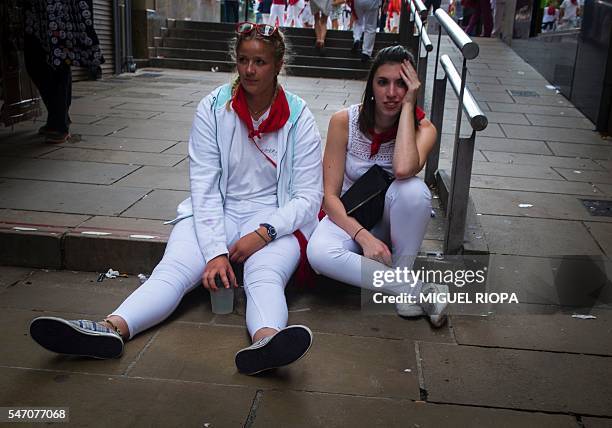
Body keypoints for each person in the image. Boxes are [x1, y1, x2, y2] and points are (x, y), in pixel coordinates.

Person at [29, 22, 324, 376]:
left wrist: (265, 231)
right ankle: (109, 329)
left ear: (278, 65)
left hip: (276, 220)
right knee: (171, 272)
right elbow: (204, 186)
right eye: (243, 60)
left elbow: (309, 196)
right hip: (217, 211)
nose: (248, 70)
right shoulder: (213, 108)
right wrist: (215, 251)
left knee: (265, 275)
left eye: (259, 62)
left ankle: (267, 342)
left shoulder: (299, 115)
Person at [307, 46, 448, 328]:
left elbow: (403, 168)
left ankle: (399, 273)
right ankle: (412, 290)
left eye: (401, 84)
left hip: (391, 222)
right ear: (371, 85)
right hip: (350, 217)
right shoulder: (344, 121)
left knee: (413, 191)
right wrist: (363, 238)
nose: (392, 92)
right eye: (383, 82)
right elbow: (330, 197)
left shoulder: (425, 129)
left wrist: (409, 107)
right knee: (319, 253)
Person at [22, 0, 104, 144]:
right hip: (37, 11)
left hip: (60, 9)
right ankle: (59, 118)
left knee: (58, 62)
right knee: (36, 62)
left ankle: (59, 123)